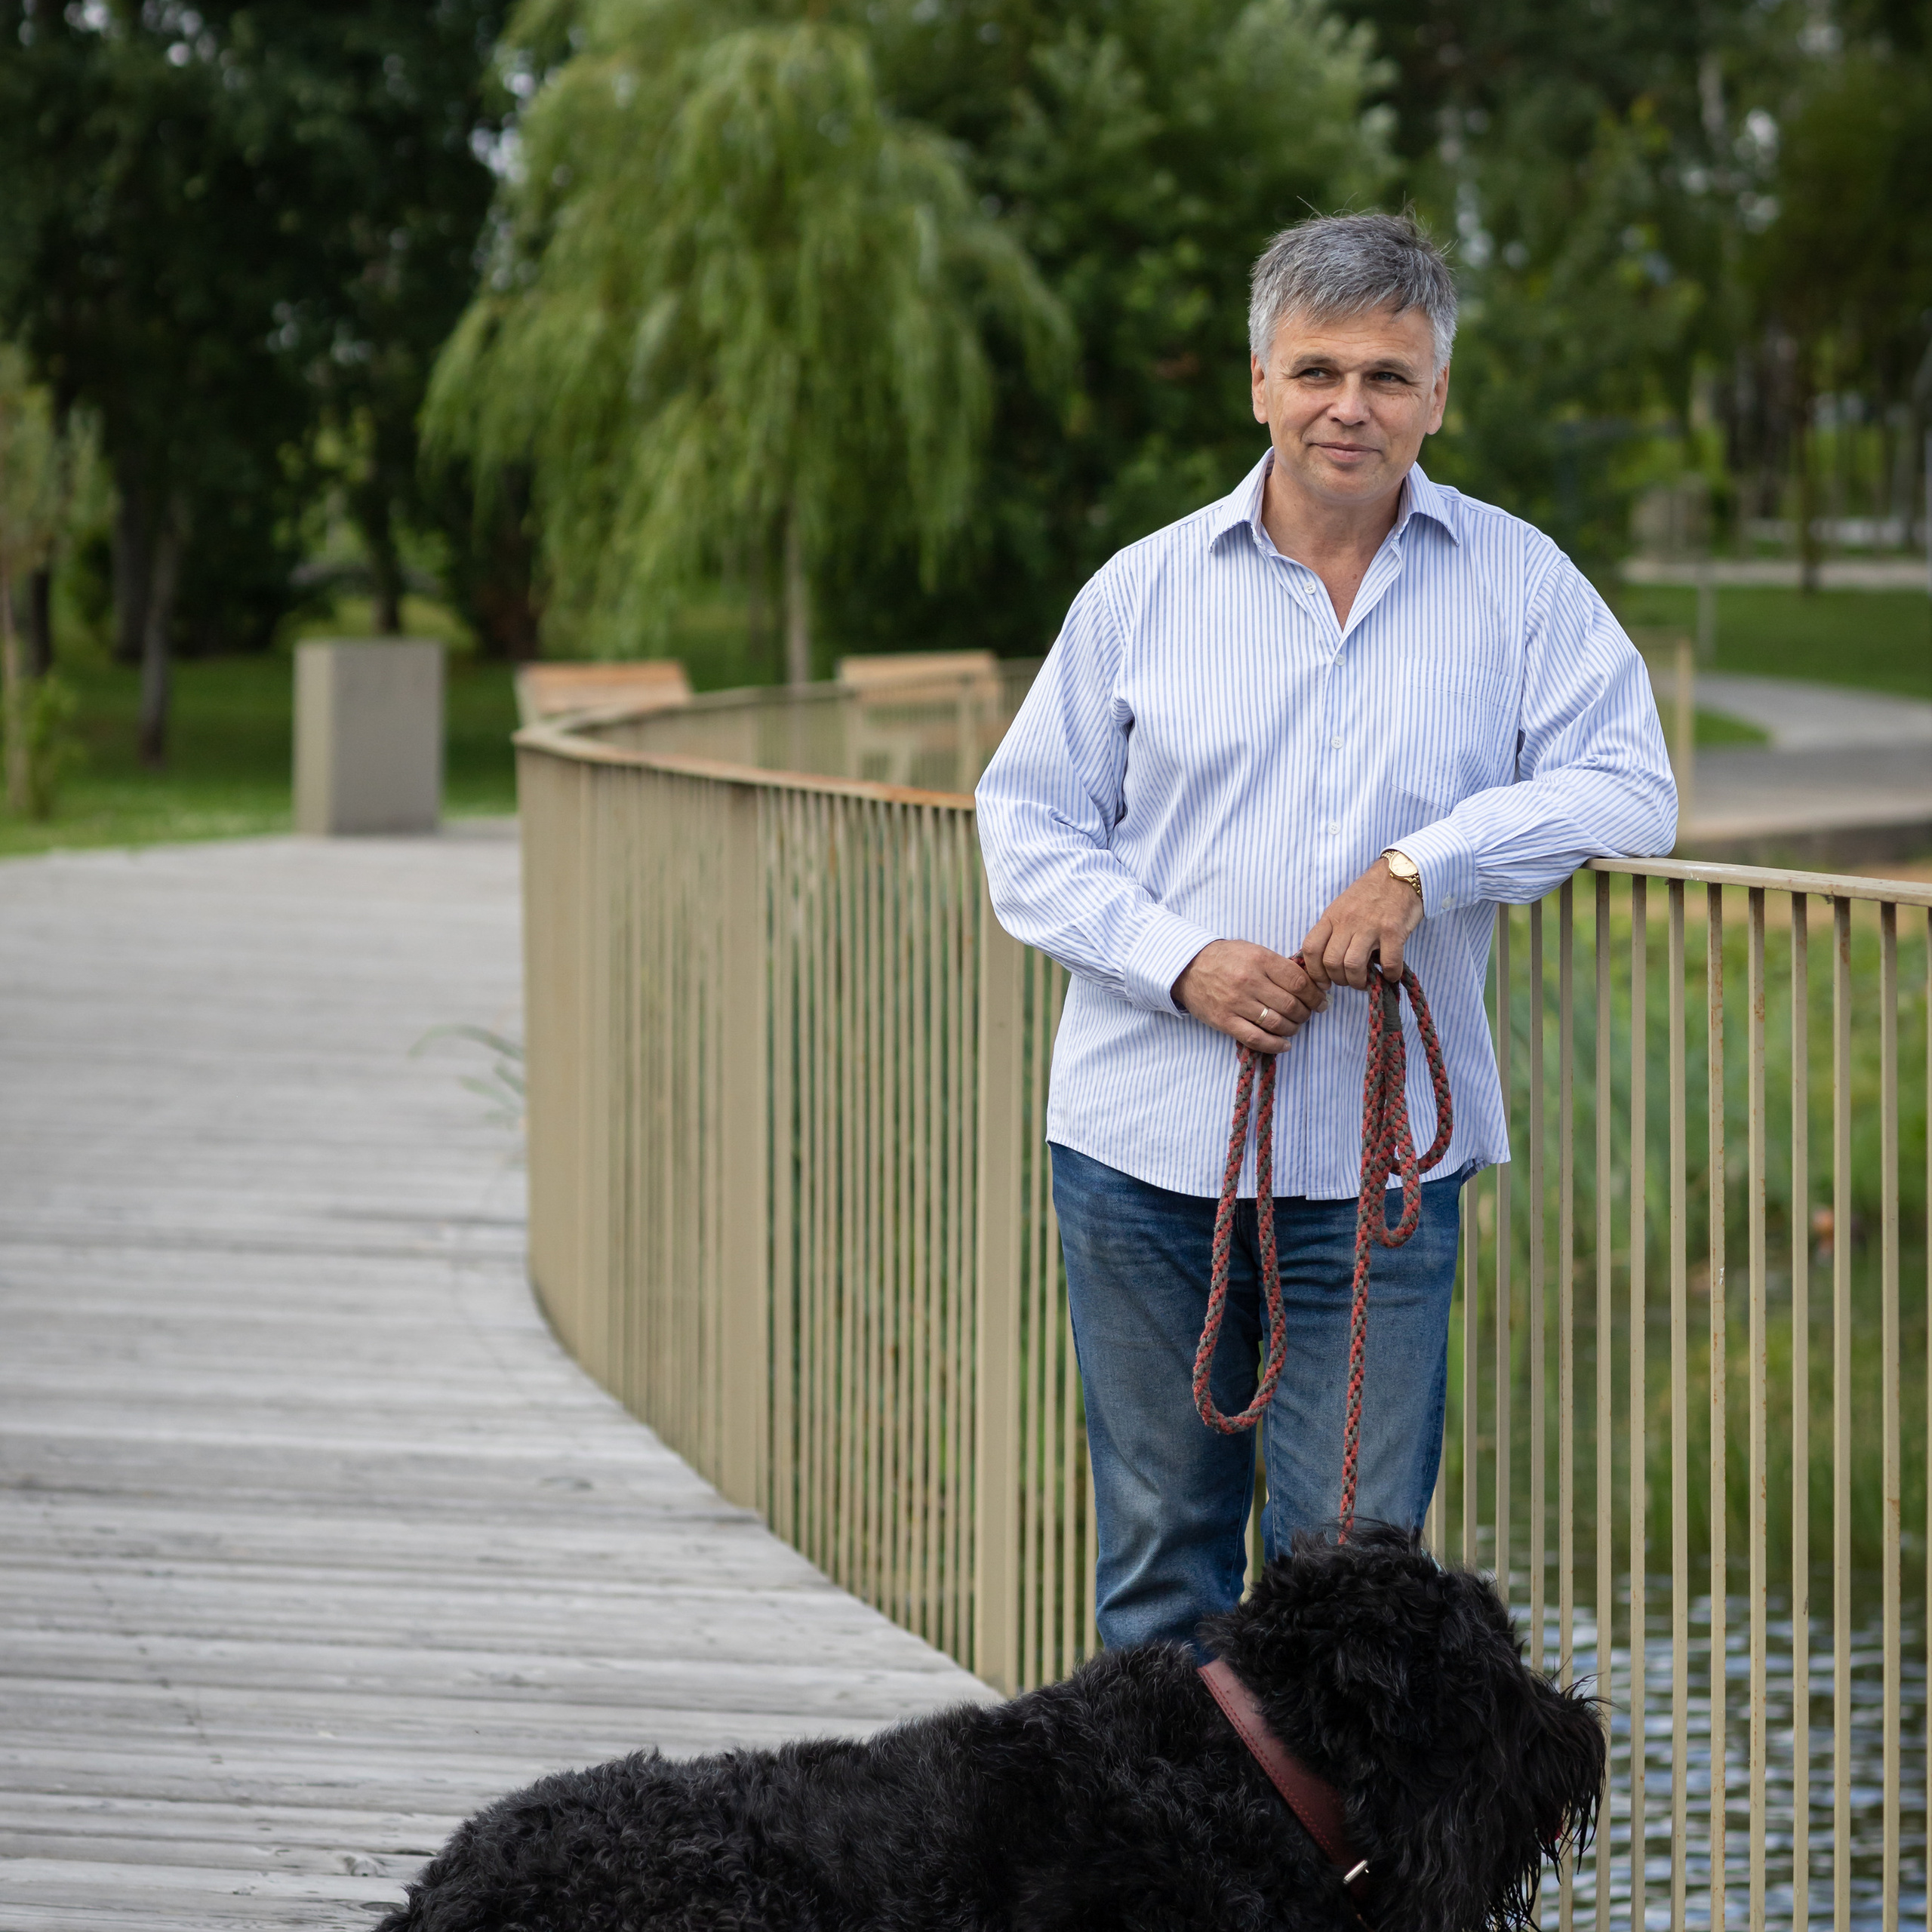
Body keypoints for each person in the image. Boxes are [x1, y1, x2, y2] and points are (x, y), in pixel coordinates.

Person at [974, 211, 1676, 1655]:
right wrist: (1181, 962)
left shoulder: (1521, 583)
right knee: (1160, 1562)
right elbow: (1026, 826)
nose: (1349, 406)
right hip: (1145, 1157)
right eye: (1316, 371)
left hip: (1381, 1173)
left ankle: (1310, 1820)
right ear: (1260, 385)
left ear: (1437, 396)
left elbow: (1631, 784)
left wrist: (1426, 864)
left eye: (1387, 376)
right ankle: (1161, 1817)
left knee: (1352, 1586)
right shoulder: (1142, 591)